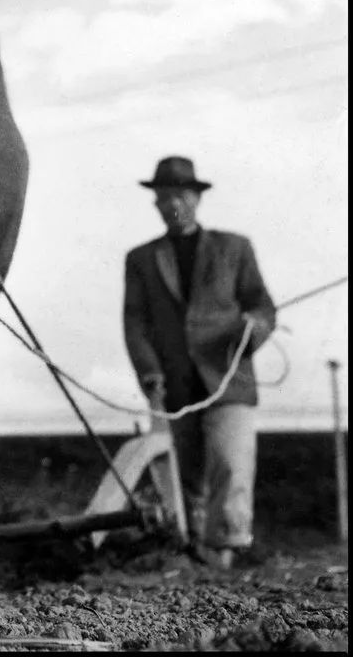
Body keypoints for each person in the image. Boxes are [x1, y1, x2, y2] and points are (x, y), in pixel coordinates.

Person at [123, 156, 276, 569]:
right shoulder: (141, 259)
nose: (173, 204)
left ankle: (224, 552)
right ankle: (193, 557)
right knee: (185, 475)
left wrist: (252, 328)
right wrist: (149, 372)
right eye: (164, 197)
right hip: (174, 384)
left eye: (181, 195)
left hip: (229, 379)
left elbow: (262, 306)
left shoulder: (234, 248)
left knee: (230, 462)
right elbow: (134, 322)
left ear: (197, 199)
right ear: (155, 203)